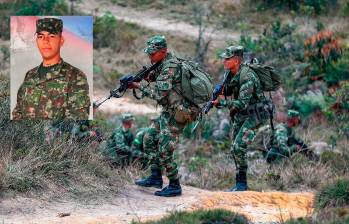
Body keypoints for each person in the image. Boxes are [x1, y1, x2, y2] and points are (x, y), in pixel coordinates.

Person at [129, 35, 200, 197]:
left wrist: (139, 86)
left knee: (164, 148)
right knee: (148, 137)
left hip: (180, 113)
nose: (150, 57)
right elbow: (159, 79)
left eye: (153, 54)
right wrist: (144, 77)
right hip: (170, 111)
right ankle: (155, 177)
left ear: (163, 51)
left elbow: (160, 93)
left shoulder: (170, 66)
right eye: (149, 54)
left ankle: (175, 185)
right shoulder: (161, 64)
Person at [212, 45, 272, 191]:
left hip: (255, 115)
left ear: (237, 60)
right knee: (234, 148)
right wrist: (221, 90)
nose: (224, 61)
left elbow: (241, 103)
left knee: (239, 146)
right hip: (243, 114)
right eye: (224, 58)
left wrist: (223, 102)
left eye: (228, 58)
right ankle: (239, 183)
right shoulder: (232, 73)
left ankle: (242, 184)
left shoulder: (247, 76)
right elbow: (232, 88)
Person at [12, 17, 90, 120]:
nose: (45, 41)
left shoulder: (75, 76)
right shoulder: (30, 74)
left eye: (52, 36)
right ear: (36, 41)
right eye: (41, 36)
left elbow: (78, 118)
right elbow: (18, 111)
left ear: (61, 41)